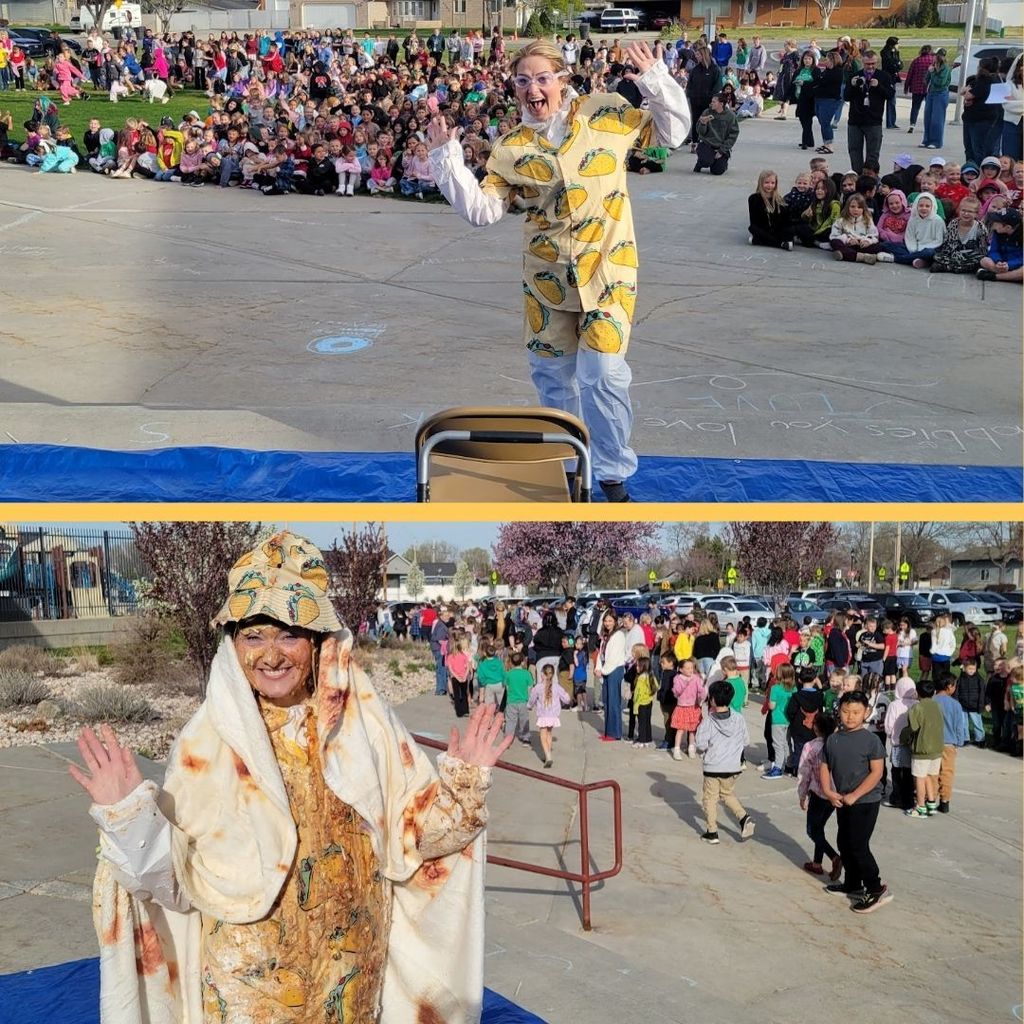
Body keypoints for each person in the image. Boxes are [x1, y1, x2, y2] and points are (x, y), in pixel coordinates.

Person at [68, 532, 511, 1024]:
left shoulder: (365, 725)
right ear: (233, 644)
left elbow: (416, 838)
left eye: (289, 635)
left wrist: (463, 789)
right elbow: (176, 883)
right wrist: (130, 819)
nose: (272, 655)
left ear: (318, 642)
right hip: (247, 989)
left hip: (348, 978)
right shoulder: (207, 744)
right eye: (254, 636)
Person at [427, 40, 689, 503]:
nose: (533, 89)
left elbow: (672, 134)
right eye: (523, 81)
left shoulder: (605, 112)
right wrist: (446, 159)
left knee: (603, 375)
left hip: (608, 271)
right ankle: (568, 465)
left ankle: (611, 473)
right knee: (553, 378)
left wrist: (656, 81)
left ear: (562, 80)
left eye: (542, 78)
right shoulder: (511, 148)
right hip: (546, 282)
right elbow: (484, 211)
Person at [820, 691, 891, 913]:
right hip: (842, 800)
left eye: (856, 712)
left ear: (866, 712)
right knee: (844, 842)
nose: (850, 716)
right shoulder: (833, 739)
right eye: (846, 711)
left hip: (866, 801)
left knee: (858, 845)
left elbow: (877, 772)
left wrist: (856, 794)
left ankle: (876, 888)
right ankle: (853, 884)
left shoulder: (871, 740)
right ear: (838, 711)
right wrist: (828, 791)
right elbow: (825, 766)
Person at [695, 680, 755, 845]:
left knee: (710, 798)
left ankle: (712, 831)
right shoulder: (739, 719)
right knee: (727, 794)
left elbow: (701, 744)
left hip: (713, 767)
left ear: (713, 700)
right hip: (733, 766)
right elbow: (746, 741)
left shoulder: (709, 721)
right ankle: (744, 817)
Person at [798, 712, 841, 878]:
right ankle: (817, 863)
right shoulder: (838, 745)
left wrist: (802, 795)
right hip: (835, 795)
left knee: (812, 830)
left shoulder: (811, 747)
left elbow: (804, 773)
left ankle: (834, 857)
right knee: (819, 828)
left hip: (819, 794)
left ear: (816, 728)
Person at [845, 51, 893, 175]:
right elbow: (846, 97)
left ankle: (870, 178)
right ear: (862, 62)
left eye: (873, 63)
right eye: (867, 64)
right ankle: (857, 177)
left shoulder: (884, 76)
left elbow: (890, 95)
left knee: (873, 153)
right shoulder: (855, 76)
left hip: (874, 121)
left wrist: (879, 86)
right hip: (855, 120)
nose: (870, 66)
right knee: (854, 151)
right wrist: (853, 85)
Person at [933, 672, 969, 812]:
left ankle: (930, 797)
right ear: (949, 686)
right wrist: (959, 741)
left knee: (933, 772)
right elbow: (959, 726)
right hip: (949, 743)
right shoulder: (955, 705)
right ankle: (945, 801)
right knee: (947, 772)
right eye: (954, 685)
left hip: (932, 742)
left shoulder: (931, 701)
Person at [884, 674, 918, 810]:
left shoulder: (894, 705)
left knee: (897, 771)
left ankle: (897, 797)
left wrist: (890, 734)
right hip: (911, 743)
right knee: (909, 771)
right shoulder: (916, 704)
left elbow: (889, 724)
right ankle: (908, 799)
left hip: (898, 742)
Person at [931, 194, 988, 274]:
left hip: (972, 256)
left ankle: (949, 267)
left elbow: (982, 250)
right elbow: (949, 247)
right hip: (954, 254)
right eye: (963, 210)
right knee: (937, 256)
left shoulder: (980, 228)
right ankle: (959, 267)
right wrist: (957, 256)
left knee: (981, 260)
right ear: (959, 210)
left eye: (970, 211)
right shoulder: (953, 224)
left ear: (976, 214)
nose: (966, 214)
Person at [528, 663, 570, 768]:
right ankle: (547, 754)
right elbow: (566, 699)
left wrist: (529, 706)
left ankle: (548, 756)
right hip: (553, 715)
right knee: (549, 734)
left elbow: (532, 699)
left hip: (543, 715)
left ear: (542, 674)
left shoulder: (538, 687)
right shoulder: (557, 687)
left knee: (543, 736)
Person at [595, 611, 626, 741]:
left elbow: (614, 656)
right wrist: (598, 667)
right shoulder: (606, 635)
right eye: (606, 621)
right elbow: (601, 653)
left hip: (614, 669)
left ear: (615, 621)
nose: (607, 623)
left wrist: (603, 670)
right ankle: (608, 731)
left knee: (613, 702)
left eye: (610, 621)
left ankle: (614, 733)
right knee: (607, 701)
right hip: (606, 668)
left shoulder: (618, 635)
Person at [829, 192, 883, 264]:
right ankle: (861, 257)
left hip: (862, 246)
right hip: (848, 245)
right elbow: (834, 236)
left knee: (878, 246)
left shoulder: (868, 220)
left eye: (859, 207)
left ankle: (845, 255)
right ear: (848, 207)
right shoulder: (841, 221)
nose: (856, 209)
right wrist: (848, 240)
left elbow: (874, 235)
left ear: (863, 209)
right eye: (852, 207)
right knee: (834, 242)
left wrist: (867, 241)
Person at [764, 662, 796, 778]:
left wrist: (769, 701)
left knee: (777, 744)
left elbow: (772, 706)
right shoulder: (794, 689)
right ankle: (789, 765)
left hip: (777, 720)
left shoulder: (775, 688)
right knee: (787, 743)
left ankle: (777, 767)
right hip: (789, 720)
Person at [693, 92, 738, 175]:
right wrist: (703, 123)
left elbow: (733, 135)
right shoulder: (707, 112)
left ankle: (721, 163)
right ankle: (700, 163)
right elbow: (700, 132)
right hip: (706, 144)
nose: (711, 103)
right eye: (711, 101)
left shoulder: (730, 116)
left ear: (721, 104)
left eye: (714, 102)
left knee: (718, 171)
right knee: (706, 161)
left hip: (721, 146)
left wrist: (722, 151)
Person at [747, 168, 793, 249]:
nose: (770, 185)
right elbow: (753, 221)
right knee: (752, 228)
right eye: (766, 182)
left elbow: (785, 220)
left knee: (789, 231)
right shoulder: (753, 198)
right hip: (763, 229)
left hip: (776, 229)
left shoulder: (779, 199)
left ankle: (758, 241)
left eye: (772, 183)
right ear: (761, 183)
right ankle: (780, 244)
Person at [670, 658, 705, 760]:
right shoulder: (677, 679)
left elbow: (700, 690)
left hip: (693, 707)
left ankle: (691, 748)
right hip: (682, 707)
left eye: (692, 668)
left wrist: (703, 693)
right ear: (681, 669)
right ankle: (676, 749)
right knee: (680, 729)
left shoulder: (696, 678)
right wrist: (684, 684)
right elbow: (676, 692)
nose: (690, 670)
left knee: (692, 729)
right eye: (688, 668)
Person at [977, 207, 1024, 282]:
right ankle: (1009, 276)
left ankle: (995, 276)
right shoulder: (998, 232)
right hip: (1001, 264)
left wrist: (1009, 265)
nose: (993, 223)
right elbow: (993, 250)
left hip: (1016, 265)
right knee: (984, 260)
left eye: (997, 222)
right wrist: (998, 261)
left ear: (1008, 227)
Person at [922, 48, 951, 150]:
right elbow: (926, 80)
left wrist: (933, 72)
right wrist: (929, 72)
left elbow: (940, 82)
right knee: (928, 118)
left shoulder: (945, 68)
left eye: (934, 55)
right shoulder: (933, 66)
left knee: (937, 119)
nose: (932, 57)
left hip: (940, 94)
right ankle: (926, 140)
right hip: (931, 93)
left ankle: (936, 141)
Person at [503, 649, 534, 745]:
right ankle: (526, 737)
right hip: (523, 701)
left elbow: (507, 687)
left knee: (510, 721)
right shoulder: (527, 673)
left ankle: (508, 739)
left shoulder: (508, 674)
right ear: (523, 662)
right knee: (524, 720)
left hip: (511, 701)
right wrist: (530, 700)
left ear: (511, 662)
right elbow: (530, 688)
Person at [956, 657, 987, 747]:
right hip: (963, 704)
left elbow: (982, 693)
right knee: (963, 723)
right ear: (964, 668)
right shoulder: (961, 678)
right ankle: (965, 738)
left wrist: (981, 705)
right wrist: (957, 702)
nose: (971, 671)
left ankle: (980, 739)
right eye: (969, 668)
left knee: (977, 723)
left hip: (975, 705)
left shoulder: (979, 679)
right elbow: (957, 691)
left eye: (973, 669)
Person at [904, 45, 933, 134]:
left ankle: (912, 125)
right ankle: (928, 126)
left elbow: (910, 74)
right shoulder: (932, 61)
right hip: (929, 88)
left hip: (916, 87)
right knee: (929, 108)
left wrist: (906, 86)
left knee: (915, 107)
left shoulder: (916, 61)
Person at [631, 654, 656, 748]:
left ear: (643, 667)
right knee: (647, 721)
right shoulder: (650, 675)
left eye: (638, 666)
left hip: (641, 703)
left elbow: (638, 693)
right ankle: (647, 739)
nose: (636, 667)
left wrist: (635, 705)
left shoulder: (641, 678)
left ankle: (641, 740)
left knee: (641, 722)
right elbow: (656, 686)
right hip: (649, 702)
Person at [880, 37, 903, 129]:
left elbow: (900, 64)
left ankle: (891, 121)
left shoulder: (895, 53)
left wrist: (898, 63)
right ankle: (890, 122)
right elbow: (891, 64)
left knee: (892, 101)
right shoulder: (886, 53)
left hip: (893, 77)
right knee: (890, 100)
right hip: (888, 78)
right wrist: (897, 63)